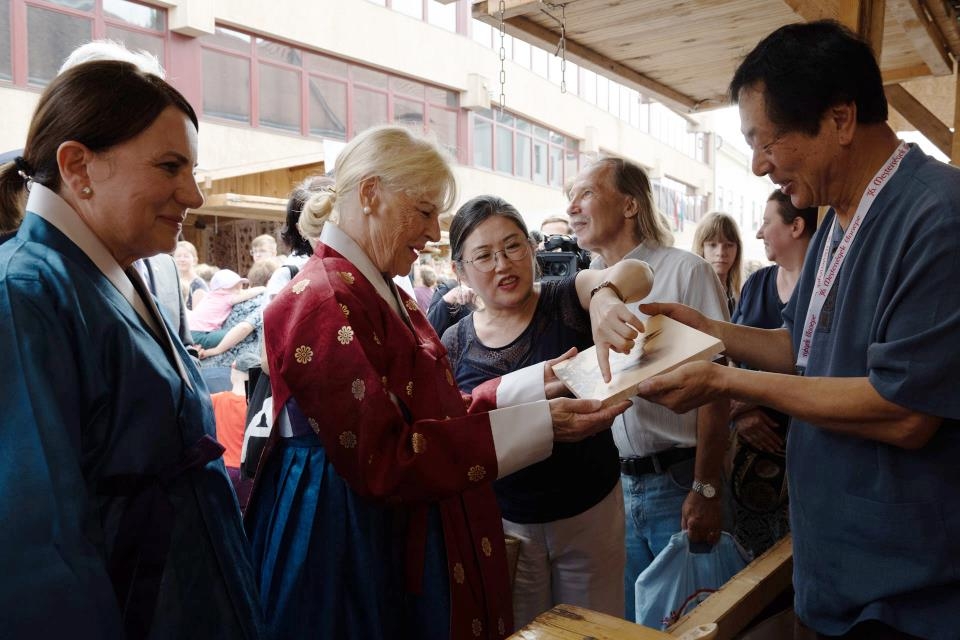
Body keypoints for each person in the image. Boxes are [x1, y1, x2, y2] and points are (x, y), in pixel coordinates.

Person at [635, 20, 960, 640]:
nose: (760, 167)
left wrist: (728, 381)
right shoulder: (838, 217)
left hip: (907, 589)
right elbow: (801, 350)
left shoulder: (938, 216)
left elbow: (904, 412)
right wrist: (713, 331)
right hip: (832, 566)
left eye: (768, 141)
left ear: (841, 119)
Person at [244, 125, 632, 640]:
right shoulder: (323, 300)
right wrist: (542, 424)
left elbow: (437, 413)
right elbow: (386, 459)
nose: (432, 233)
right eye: (424, 212)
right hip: (352, 544)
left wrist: (539, 383)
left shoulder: (381, 290)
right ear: (370, 195)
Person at [0, 59, 262, 638]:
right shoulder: (25, 291)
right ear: (78, 166)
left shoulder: (115, 268)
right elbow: (39, 544)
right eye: (171, 166)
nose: (193, 193)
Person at [441, 195, 654, 626]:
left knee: (595, 629)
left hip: (589, 512)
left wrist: (607, 296)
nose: (503, 264)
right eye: (484, 255)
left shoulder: (566, 299)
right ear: (459, 271)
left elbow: (637, 272)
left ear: (532, 248)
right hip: (506, 523)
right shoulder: (453, 343)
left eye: (514, 246)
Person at [565, 156, 730, 622]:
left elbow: (719, 384)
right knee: (632, 625)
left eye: (586, 194)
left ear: (631, 203)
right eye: (569, 199)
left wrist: (707, 487)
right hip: (615, 488)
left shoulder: (685, 271)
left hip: (678, 483)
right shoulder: (586, 291)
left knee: (694, 622)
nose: (573, 208)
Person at [728, 190, 817, 557]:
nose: (759, 232)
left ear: (796, 226)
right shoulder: (756, 283)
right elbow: (730, 356)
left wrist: (750, 397)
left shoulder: (827, 287)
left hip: (811, 461)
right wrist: (741, 412)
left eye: (767, 222)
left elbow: (820, 371)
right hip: (749, 462)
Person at [199, 260, 276, 391]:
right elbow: (244, 327)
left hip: (206, 367)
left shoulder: (231, 298)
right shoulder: (264, 301)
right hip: (232, 371)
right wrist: (216, 350)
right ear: (270, 281)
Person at [264, 175, 332, 302]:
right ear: (301, 228)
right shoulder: (286, 277)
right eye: (317, 224)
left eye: (332, 219)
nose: (329, 229)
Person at [211, 351, 260, 511]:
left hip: (221, 469)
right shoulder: (257, 407)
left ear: (233, 368)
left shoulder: (215, 399)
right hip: (247, 473)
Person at [188, 268, 265, 347]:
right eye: (236, 287)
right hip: (200, 335)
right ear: (223, 288)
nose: (240, 289)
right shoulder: (224, 296)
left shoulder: (212, 295)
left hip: (193, 332)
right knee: (233, 333)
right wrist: (263, 288)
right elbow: (246, 294)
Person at [693, 212, 743, 315]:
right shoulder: (692, 295)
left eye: (729, 245)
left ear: (738, 249)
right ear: (701, 248)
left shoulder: (743, 296)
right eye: (712, 245)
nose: (721, 253)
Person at [174, 239, 209, 309]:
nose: (182, 259)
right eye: (178, 256)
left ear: (194, 260)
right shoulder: (172, 281)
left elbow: (197, 316)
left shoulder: (198, 285)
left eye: (186, 256)